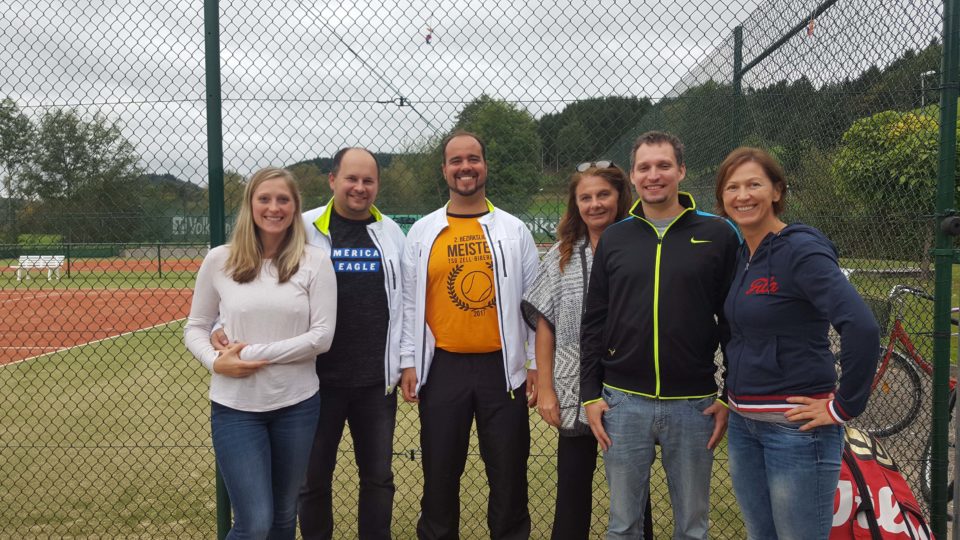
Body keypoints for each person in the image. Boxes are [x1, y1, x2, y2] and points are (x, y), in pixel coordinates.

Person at [212, 148, 405, 539]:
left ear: (377, 186)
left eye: (368, 180)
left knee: (378, 478)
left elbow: (409, 298)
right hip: (316, 382)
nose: (359, 187)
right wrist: (220, 322)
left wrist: (407, 360)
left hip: (374, 381)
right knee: (312, 483)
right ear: (332, 180)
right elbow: (253, 277)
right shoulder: (301, 225)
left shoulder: (392, 233)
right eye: (351, 178)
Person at [580, 131, 740, 540]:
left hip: (694, 405)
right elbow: (594, 320)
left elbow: (734, 322)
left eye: (663, 165)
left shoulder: (718, 234)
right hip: (623, 403)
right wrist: (591, 394)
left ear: (681, 171)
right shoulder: (615, 238)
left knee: (692, 527)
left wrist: (728, 395)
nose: (654, 175)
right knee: (623, 526)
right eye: (645, 167)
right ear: (633, 176)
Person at [714, 147, 879, 540]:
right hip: (744, 425)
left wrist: (843, 406)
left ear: (777, 191)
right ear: (721, 197)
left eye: (754, 184)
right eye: (732, 187)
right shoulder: (742, 255)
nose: (743, 195)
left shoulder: (801, 249)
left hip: (796, 431)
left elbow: (861, 326)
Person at [399, 130, 539, 540]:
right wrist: (408, 360)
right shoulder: (423, 231)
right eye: (456, 160)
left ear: (485, 166)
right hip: (443, 367)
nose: (466, 167)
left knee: (509, 473)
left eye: (473, 159)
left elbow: (534, 304)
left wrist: (533, 362)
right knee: (440, 473)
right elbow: (409, 303)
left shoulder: (514, 230)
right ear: (444, 169)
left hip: (503, 369)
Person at [184, 167, 337, 539]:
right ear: (250, 205)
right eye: (264, 199)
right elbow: (196, 326)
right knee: (254, 524)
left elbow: (322, 338)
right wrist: (216, 361)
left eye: (283, 200)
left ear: (295, 207)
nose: (274, 208)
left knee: (284, 518)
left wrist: (251, 353)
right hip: (235, 410)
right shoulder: (219, 260)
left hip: (297, 406)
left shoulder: (315, 261)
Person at [521, 161, 646, 540]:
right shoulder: (562, 254)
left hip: (628, 390)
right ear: (575, 204)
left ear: (620, 197)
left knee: (633, 498)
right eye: (585, 197)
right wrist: (546, 388)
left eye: (603, 195)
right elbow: (545, 322)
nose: (595, 204)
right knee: (572, 495)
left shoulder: (641, 247)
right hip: (573, 389)